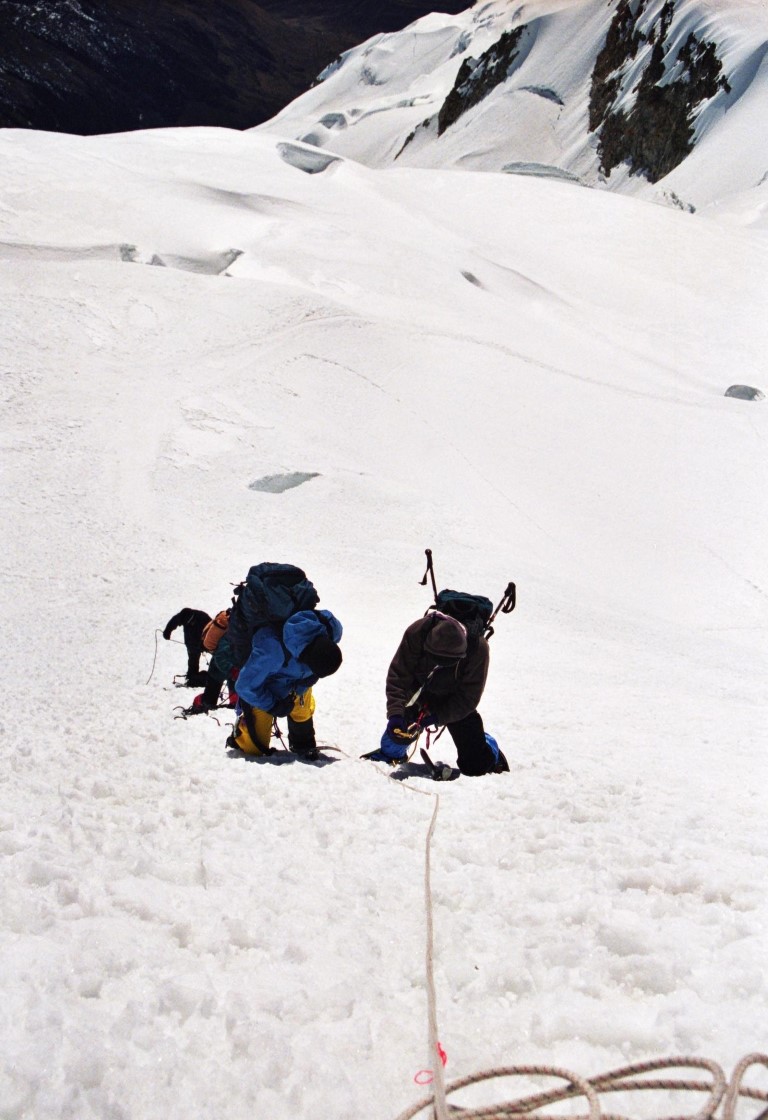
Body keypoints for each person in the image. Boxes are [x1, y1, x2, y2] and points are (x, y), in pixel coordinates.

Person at [379, 611, 507, 776]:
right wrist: (396, 714)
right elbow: (398, 677)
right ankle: (393, 752)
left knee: (476, 765)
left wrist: (437, 717)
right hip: (420, 691)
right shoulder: (417, 632)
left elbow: (468, 698)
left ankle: (489, 745)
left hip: (454, 700)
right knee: (392, 745)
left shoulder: (478, 649)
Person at [229, 608, 342, 760]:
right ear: (305, 658)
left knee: (302, 707)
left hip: (296, 682)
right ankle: (240, 733)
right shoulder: (271, 650)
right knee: (252, 749)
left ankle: (303, 744)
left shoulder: (332, 630)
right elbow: (244, 686)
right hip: (264, 687)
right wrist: (273, 705)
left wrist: (306, 682)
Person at [163, 607, 211, 686]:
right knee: (193, 659)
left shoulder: (203, 617)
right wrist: (167, 631)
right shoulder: (182, 616)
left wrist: (203, 644)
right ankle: (192, 677)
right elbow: (174, 621)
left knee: (216, 658)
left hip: (205, 642)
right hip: (191, 643)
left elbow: (211, 631)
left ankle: (215, 676)